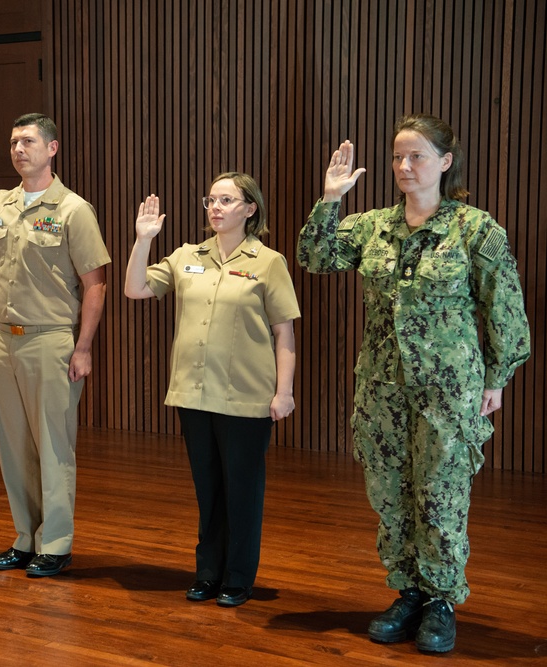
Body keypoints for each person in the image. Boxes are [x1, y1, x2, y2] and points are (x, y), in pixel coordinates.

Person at [297, 114, 530, 653]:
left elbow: (506, 310)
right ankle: (407, 592)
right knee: (390, 494)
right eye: (398, 157)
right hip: (382, 389)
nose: (404, 166)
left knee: (442, 496)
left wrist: (497, 377)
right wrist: (330, 199)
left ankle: (442, 600)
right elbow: (315, 258)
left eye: (417, 156)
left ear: (445, 163)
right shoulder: (373, 225)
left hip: (449, 391)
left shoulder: (475, 229)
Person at [0, 113, 110, 577]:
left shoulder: (72, 209)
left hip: (51, 340)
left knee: (53, 446)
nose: (18, 149)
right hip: (3, 340)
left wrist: (84, 347)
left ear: (52, 148)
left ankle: (57, 542)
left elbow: (96, 284)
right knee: (13, 446)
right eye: (13, 142)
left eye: (28, 141)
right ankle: (26, 538)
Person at [124, 173, 300, 607]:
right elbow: (135, 288)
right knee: (209, 491)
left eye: (227, 200)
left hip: (245, 396)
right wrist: (143, 239)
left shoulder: (268, 261)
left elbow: (285, 334)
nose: (216, 207)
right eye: (211, 200)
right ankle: (208, 572)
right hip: (193, 394)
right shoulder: (187, 256)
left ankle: (238, 577)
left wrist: (284, 392)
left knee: (242, 491)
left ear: (250, 209)